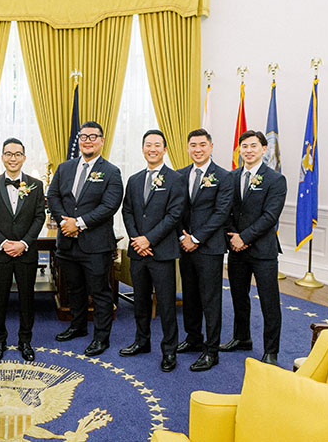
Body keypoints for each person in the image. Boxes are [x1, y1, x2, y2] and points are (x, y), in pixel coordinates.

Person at [47, 121, 123, 357]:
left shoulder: (111, 172)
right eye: (83, 136)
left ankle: (101, 338)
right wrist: (64, 222)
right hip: (67, 242)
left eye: (93, 136)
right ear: (78, 140)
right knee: (74, 288)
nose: (87, 140)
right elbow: (53, 196)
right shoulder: (64, 167)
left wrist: (78, 223)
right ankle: (77, 327)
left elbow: (109, 206)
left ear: (101, 141)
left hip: (96, 245)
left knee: (99, 291)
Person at [120, 129, 185, 372]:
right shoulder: (134, 179)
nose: (152, 149)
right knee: (140, 301)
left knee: (166, 304)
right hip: (138, 252)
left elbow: (174, 215)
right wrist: (137, 239)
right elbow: (127, 211)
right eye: (148, 144)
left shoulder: (175, 179)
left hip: (162, 252)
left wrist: (149, 239)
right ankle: (141, 341)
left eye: (157, 145)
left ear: (165, 149)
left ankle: (169, 350)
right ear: (143, 148)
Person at [222, 130, 287, 366]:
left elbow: (270, 216)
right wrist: (233, 236)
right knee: (239, 297)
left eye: (253, 146)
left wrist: (245, 237)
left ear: (263, 149)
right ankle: (241, 338)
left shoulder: (275, 179)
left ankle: (271, 350)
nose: (248, 150)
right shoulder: (231, 177)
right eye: (244, 146)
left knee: (269, 302)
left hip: (263, 250)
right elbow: (225, 210)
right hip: (237, 249)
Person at [0, 138, 46, 362]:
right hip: (0, 253)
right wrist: (3, 242)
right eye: (8, 154)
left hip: (26, 252)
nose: (13, 158)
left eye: (18, 154)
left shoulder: (36, 186)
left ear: (24, 158)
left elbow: (40, 217)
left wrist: (24, 243)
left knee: (27, 299)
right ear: (2, 157)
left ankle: (25, 341)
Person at [175, 129, 234, 372]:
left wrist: (196, 238)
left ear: (211, 146)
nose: (197, 149)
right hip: (184, 246)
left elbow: (221, 213)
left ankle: (211, 350)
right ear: (188, 148)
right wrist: (182, 236)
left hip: (210, 248)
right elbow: (175, 210)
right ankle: (193, 338)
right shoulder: (179, 175)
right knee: (189, 296)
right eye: (193, 145)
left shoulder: (223, 176)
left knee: (210, 299)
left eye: (202, 144)